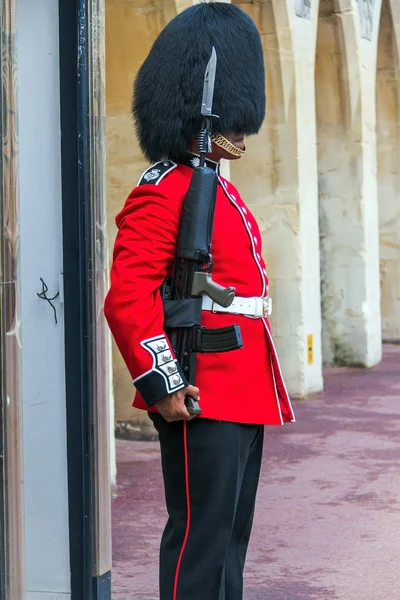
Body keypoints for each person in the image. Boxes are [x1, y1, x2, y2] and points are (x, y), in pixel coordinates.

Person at [104, 3, 295, 599]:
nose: (242, 133)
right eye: (232, 121)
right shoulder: (164, 192)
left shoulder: (216, 189)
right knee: (200, 538)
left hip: (241, 380)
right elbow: (127, 297)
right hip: (201, 383)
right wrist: (163, 381)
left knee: (230, 536)